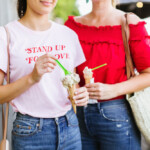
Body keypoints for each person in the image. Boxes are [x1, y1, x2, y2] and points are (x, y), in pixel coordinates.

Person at [0, 0, 89, 149]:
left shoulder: (68, 35)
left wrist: (81, 95)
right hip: (30, 131)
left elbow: (73, 84)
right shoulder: (6, 35)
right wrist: (32, 78)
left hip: (70, 126)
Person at [65, 0, 150, 149]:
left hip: (118, 115)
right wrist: (76, 89)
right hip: (77, 116)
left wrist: (114, 90)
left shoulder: (129, 23)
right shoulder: (72, 27)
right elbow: (68, 71)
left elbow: (148, 73)